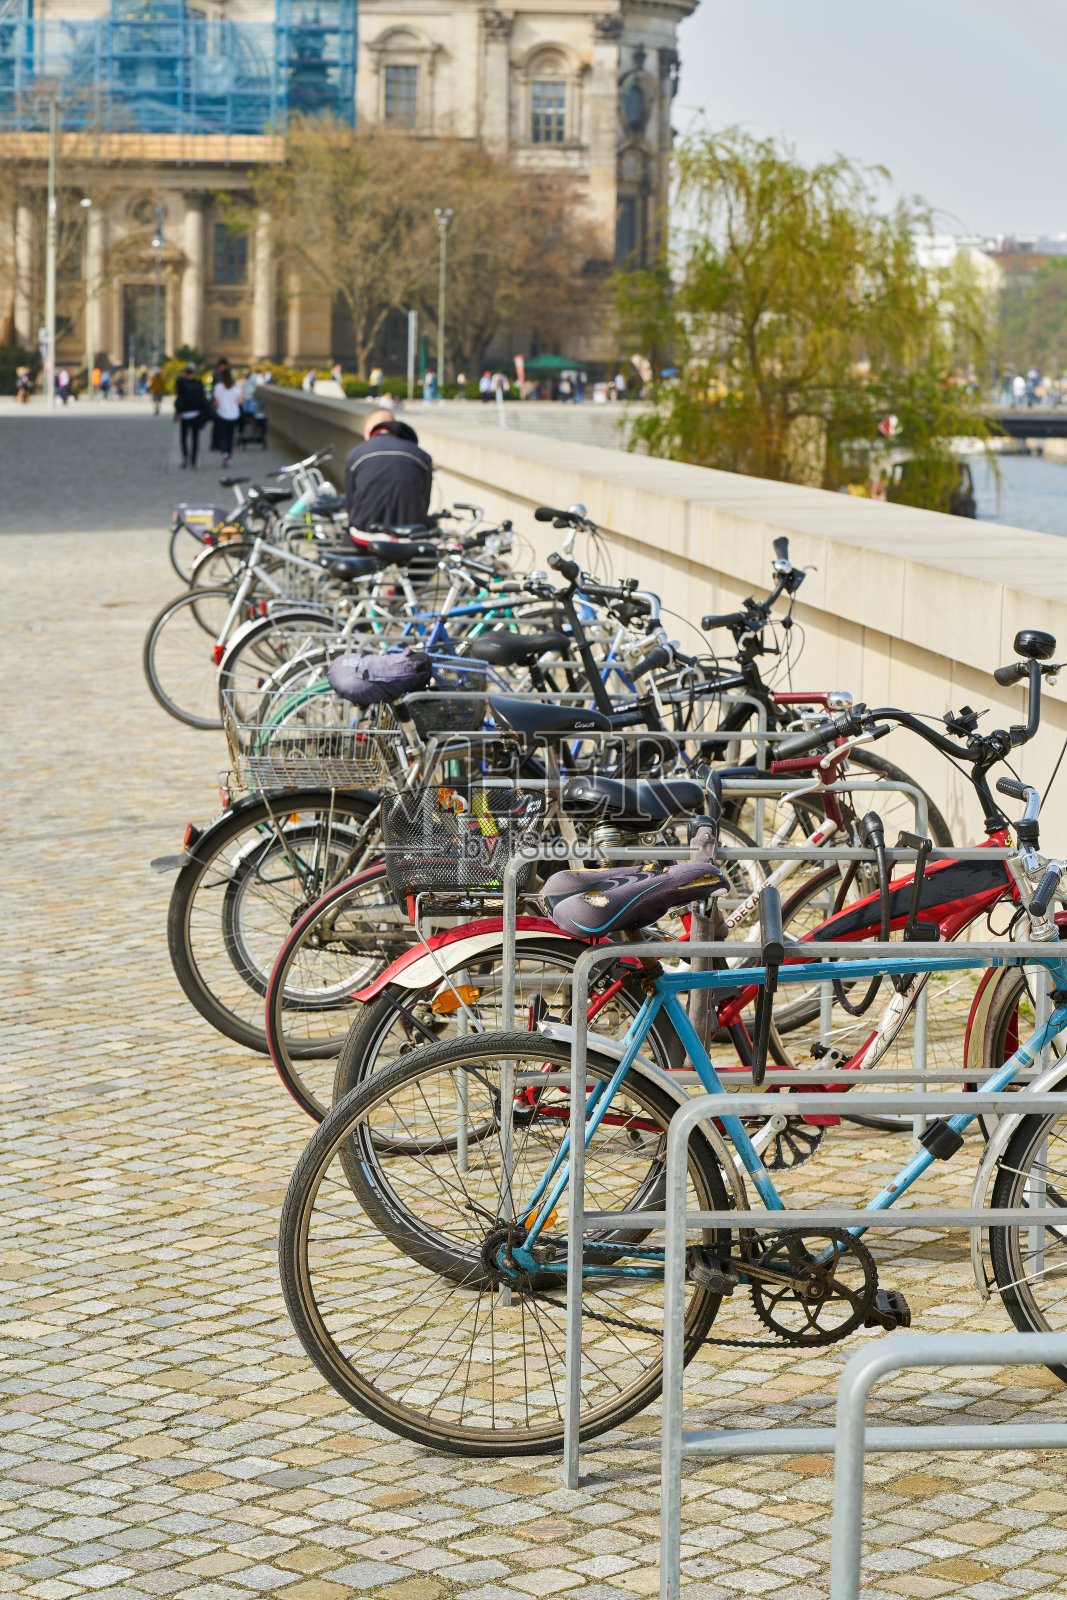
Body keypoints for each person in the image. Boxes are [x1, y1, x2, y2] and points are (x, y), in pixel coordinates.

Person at [344, 408, 433, 533]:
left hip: (365, 533)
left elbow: (351, 503)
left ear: (368, 430)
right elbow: (425, 501)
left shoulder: (355, 455)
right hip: (410, 533)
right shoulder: (421, 456)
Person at [174, 362, 206, 468]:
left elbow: (179, 397)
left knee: (183, 437)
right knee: (195, 438)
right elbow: (203, 399)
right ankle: (194, 460)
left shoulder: (182, 383)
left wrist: (176, 412)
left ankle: (185, 457)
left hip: (185, 414)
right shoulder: (198, 383)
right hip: (196, 414)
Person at [212, 360, 243, 466]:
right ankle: (229, 456)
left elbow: (216, 402)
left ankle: (224, 453)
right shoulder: (236, 388)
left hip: (222, 414)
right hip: (233, 415)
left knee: (223, 436)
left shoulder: (218, 387)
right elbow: (240, 401)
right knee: (230, 436)